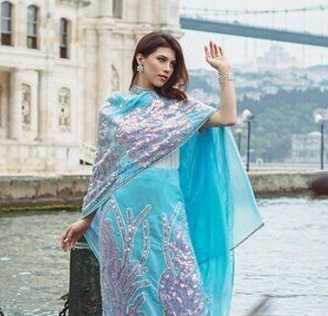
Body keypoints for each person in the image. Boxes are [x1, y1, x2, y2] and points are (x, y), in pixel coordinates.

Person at [60, 31, 263, 315]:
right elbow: (104, 170)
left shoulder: (179, 108)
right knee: (130, 296)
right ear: (140, 59)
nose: (167, 69)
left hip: (168, 212)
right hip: (121, 217)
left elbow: (227, 117)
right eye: (162, 60)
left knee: (183, 295)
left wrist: (224, 72)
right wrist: (86, 218)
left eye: (172, 63)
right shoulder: (113, 108)